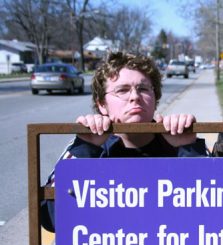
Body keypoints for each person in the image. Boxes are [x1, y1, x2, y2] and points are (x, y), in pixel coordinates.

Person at [41, 52, 207, 232]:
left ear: (155, 97)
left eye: (143, 89)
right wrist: (86, 149)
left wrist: (188, 148)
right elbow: (52, 219)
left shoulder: (179, 141)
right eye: (122, 90)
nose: (135, 96)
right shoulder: (87, 146)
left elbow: (218, 211)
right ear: (102, 104)